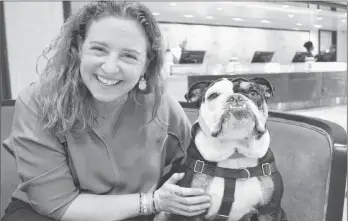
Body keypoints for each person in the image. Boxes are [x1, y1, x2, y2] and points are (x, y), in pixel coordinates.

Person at [1, 1, 211, 221]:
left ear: (147, 64)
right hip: (47, 214)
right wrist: (154, 201)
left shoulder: (162, 106)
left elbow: (198, 162)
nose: (110, 68)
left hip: (137, 213)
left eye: (129, 56)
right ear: (79, 47)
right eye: (99, 49)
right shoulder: (37, 102)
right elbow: (59, 205)